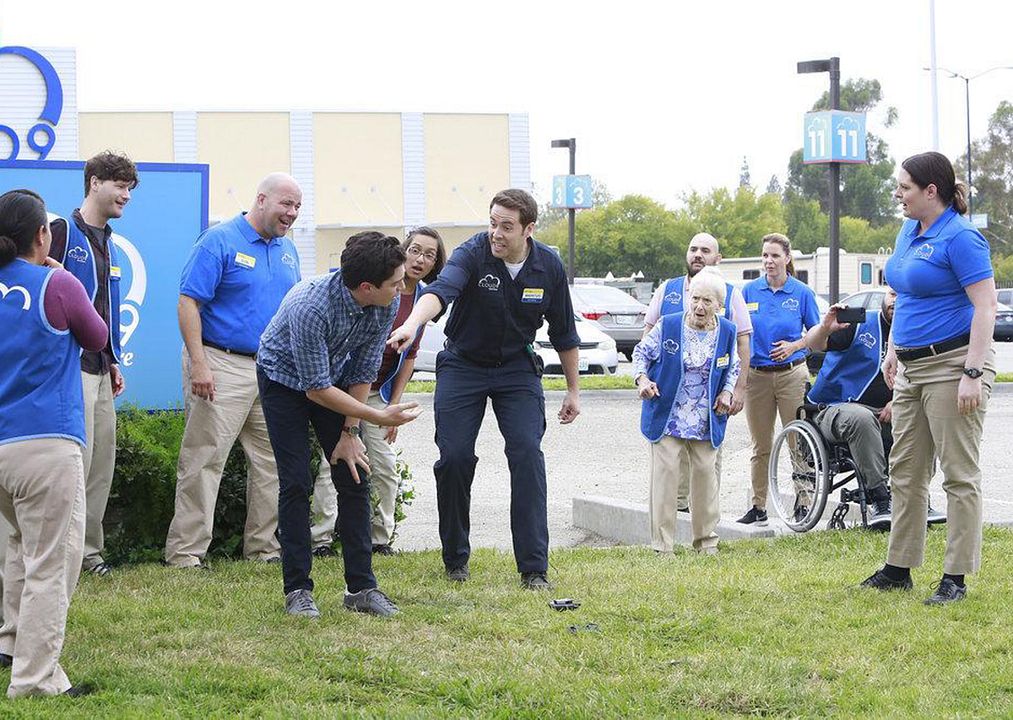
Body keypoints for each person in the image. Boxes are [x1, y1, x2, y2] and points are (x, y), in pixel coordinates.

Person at [388, 189, 580, 590]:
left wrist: (573, 391)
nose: (496, 233)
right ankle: (456, 558)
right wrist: (411, 325)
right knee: (455, 457)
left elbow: (564, 332)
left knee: (527, 454)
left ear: (528, 229)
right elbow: (440, 293)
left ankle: (533, 568)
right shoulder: (473, 253)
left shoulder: (548, 266)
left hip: (516, 369)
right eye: (492, 222)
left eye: (506, 227)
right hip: (463, 365)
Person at [257, 231, 420, 618]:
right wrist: (378, 416)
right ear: (367, 286)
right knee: (295, 481)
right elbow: (315, 390)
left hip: (336, 380)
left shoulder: (384, 303)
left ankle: (361, 588)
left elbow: (363, 369)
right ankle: (298, 590)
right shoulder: (310, 306)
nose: (401, 288)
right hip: (283, 382)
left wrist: (350, 434)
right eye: (395, 282)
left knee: (353, 472)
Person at [165, 172, 321, 568]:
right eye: (286, 204)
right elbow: (188, 303)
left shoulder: (288, 250)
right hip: (220, 362)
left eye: (298, 207)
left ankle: (263, 550)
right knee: (205, 459)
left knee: (272, 462)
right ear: (262, 199)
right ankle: (186, 553)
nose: (292, 213)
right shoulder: (219, 240)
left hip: (271, 371)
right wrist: (199, 362)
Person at [861, 151, 996, 605]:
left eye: (904, 187)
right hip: (911, 367)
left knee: (958, 474)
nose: (897, 194)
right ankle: (899, 567)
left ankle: (955, 577)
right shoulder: (907, 230)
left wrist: (973, 372)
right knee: (906, 470)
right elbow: (901, 293)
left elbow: (986, 306)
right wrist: (894, 349)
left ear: (931, 191)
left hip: (953, 364)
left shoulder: (961, 238)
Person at [0, 189, 107, 697]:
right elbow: (97, 337)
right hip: (46, 441)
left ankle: (10, 643)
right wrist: (56, 273)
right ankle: (35, 679)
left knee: (18, 550)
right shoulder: (56, 283)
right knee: (50, 563)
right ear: (42, 234)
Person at [46, 151, 138, 576]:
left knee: (101, 463)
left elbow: (103, 307)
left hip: (102, 367)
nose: (126, 195)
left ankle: (88, 553)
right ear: (94, 182)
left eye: (130, 189)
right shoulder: (62, 232)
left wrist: (113, 359)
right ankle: (62, 552)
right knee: (74, 465)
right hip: (69, 368)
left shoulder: (111, 243)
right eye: (120, 186)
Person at [643, 232, 753, 511]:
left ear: (718, 258)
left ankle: (705, 516)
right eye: (693, 249)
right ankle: (674, 514)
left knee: (707, 462)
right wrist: (645, 378)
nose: (698, 255)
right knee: (670, 463)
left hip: (710, 401)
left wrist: (738, 389)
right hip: (668, 399)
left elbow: (742, 344)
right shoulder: (667, 289)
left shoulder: (731, 294)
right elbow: (647, 336)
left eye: (705, 250)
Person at [633, 268, 739, 554]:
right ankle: (662, 545)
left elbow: (733, 367)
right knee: (665, 477)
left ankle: (706, 542)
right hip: (668, 412)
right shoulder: (668, 325)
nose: (699, 306)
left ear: (719, 306)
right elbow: (641, 353)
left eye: (707, 301)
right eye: (695, 299)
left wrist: (728, 392)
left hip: (705, 416)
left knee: (706, 476)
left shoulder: (727, 331)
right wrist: (643, 379)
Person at [361, 226, 446, 555]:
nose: (421, 259)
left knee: (384, 468)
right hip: (346, 388)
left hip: (377, 394)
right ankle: (321, 539)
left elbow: (409, 358)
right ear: (403, 250)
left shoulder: (425, 301)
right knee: (332, 466)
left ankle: (379, 540)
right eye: (416, 250)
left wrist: (392, 410)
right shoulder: (382, 285)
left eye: (430, 255)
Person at [738, 233, 820, 526]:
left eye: (774, 256)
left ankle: (804, 500)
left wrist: (795, 346)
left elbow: (817, 336)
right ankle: (758, 505)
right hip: (757, 378)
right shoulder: (749, 292)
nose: (769, 261)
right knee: (760, 445)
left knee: (797, 440)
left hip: (791, 375)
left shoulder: (801, 293)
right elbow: (739, 334)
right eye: (764, 256)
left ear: (787, 258)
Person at [804, 289, 898, 528]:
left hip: (885, 413)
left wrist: (898, 401)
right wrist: (825, 327)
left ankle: (916, 495)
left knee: (923, 418)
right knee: (862, 418)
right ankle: (880, 499)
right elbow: (813, 344)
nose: (896, 301)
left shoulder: (915, 331)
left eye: (904, 295)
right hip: (834, 408)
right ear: (884, 297)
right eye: (892, 294)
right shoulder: (860, 324)